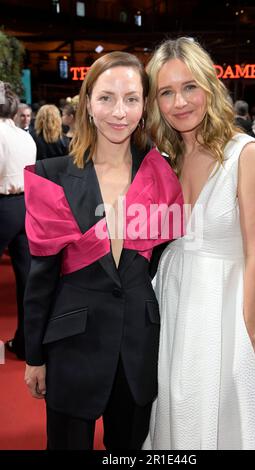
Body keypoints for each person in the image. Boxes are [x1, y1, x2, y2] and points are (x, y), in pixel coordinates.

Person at [23, 52, 184, 450]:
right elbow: (40, 276)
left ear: (144, 106)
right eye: (106, 98)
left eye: (131, 98)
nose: (119, 111)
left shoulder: (161, 174)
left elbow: (162, 261)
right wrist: (34, 356)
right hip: (71, 345)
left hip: (138, 343)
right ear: (88, 103)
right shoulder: (52, 175)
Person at [143, 37, 255, 450]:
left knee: (227, 416)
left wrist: (248, 334)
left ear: (209, 85)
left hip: (225, 309)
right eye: (166, 92)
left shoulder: (244, 153)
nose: (179, 102)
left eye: (189, 86)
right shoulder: (165, 156)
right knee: (174, 404)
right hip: (171, 302)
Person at [0, 82, 36, 360]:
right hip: (25, 207)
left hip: (3, 206)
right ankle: (26, 343)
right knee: (28, 281)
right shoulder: (25, 136)